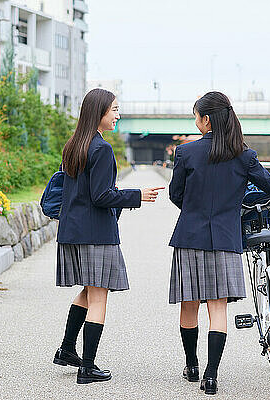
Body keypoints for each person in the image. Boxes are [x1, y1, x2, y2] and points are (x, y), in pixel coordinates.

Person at [168, 91, 270, 395]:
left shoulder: (186, 153)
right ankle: (211, 375)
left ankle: (191, 365)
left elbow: (175, 195)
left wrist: (195, 211)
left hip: (190, 236)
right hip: (226, 238)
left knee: (189, 304)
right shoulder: (244, 155)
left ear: (206, 120)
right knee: (217, 309)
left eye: (196, 116)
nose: (195, 122)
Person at [53, 88, 164, 384]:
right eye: (114, 109)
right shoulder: (100, 148)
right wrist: (137, 195)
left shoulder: (74, 144)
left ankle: (66, 349)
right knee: (99, 296)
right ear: (99, 112)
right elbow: (101, 196)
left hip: (72, 231)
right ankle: (87, 367)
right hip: (95, 233)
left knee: (89, 291)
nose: (118, 115)